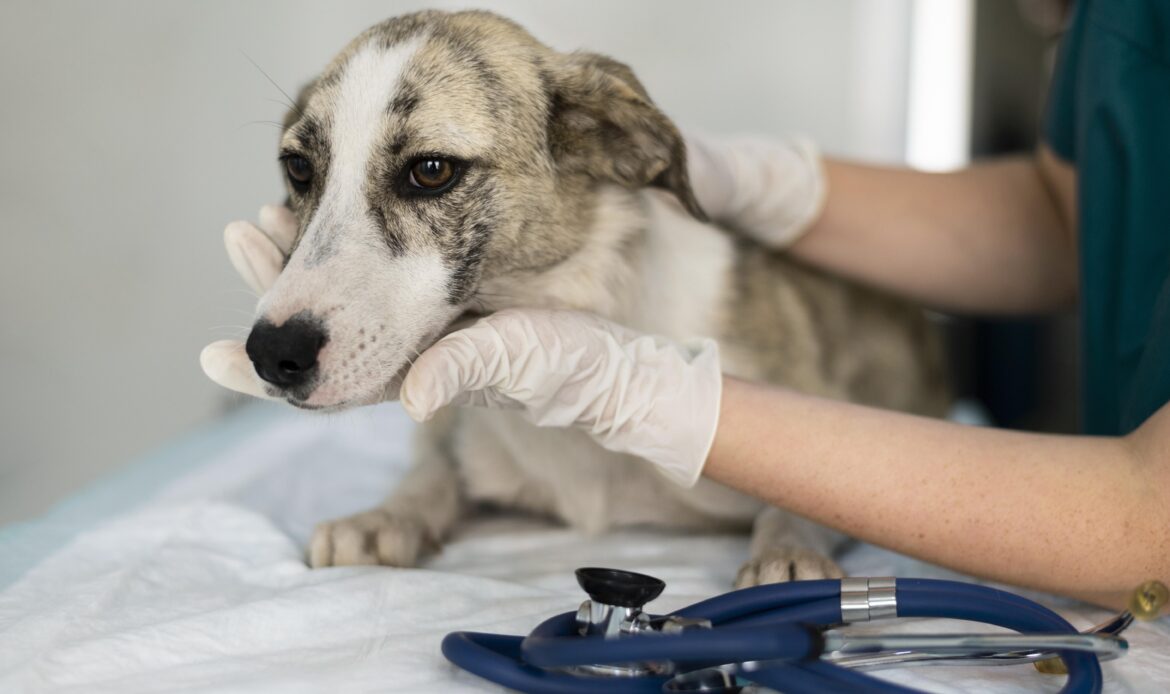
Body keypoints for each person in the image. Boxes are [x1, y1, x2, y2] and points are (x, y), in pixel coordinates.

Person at [204, 0, 1169, 610]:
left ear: (600, 142)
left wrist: (773, 511)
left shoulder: (729, 307)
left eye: (427, 171)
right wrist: (780, 183)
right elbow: (1073, 215)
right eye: (305, 168)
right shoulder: (1112, 25)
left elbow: (1147, 520)